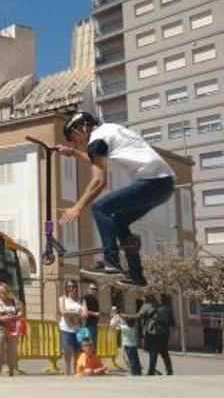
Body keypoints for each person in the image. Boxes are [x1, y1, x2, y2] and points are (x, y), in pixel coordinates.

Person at [57, 111, 175, 287]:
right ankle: (135, 275)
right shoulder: (111, 129)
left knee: (100, 208)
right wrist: (73, 153)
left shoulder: (96, 139)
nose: (76, 142)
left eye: (74, 137)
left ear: (82, 126)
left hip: (152, 182)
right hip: (164, 184)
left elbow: (99, 181)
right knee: (119, 221)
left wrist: (77, 207)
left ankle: (111, 263)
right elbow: (96, 160)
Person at [0, 283, 22, 377]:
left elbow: (20, 312)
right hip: (0, 329)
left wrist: (15, 316)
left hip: (12, 329)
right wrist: (1, 318)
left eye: (4, 292)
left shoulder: (14, 301)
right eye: (0, 292)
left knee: (12, 351)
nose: (2, 293)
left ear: (8, 292)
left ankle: (11, 371)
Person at [139, 294, 174, 376]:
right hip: (164, 334)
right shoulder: (165, 309)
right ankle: (170, 371)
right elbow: (171, 323)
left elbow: (140, 315)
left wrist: (128, 316)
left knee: (153, 353)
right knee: (164, 353)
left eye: (145, 300)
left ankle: (151, 371)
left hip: (153, 334)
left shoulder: (148, 307)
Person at [58, 280, 82, 376]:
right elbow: (63, 312)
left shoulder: (80, 300)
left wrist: (70, 312)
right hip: (65, 328)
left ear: (76, 288)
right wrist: (76, 313)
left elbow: (84, 313)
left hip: (77, 329)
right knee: (67, 351)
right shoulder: (62, 299)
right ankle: (67, 373)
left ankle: (76, 372)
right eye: (69, 286)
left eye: (73, 286)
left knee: (77, 352)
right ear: (66, 288)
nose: (71, 288)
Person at [82, 282, 101, 347]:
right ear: (88, 289)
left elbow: (98, 312)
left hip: (95, 325)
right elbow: (85, 311)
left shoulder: (96, 300)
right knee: (89, 344)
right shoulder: (85, 298)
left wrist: (97, 314)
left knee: (94, 345)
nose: (94, 290)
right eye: (92, 289)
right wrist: (95, 314)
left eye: (95, 289)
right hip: (87, 325)